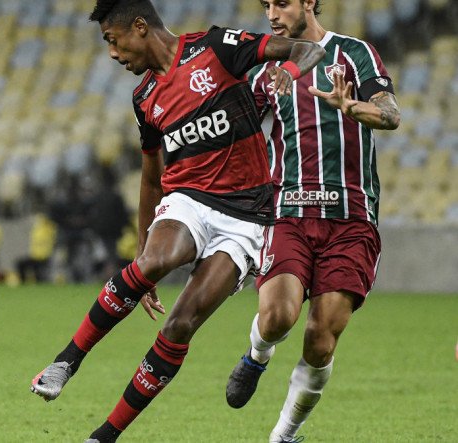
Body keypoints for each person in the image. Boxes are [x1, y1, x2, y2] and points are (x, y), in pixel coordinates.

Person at [29, 1, 325, 441]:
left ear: (140, 27)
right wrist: (140, 252)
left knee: (180, 324)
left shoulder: (215, 47)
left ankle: (104, 435)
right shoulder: (145, 98)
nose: (112, 54)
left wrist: (289, 71)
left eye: (113, 41)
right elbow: (151, 179)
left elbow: (305, 50)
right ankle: (66, 361)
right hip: (187, 198)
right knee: (158, 259)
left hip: (247, 216)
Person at [224, 1, 401, 442]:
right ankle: (257, 354)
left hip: (352, 218)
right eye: (265, 4)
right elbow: (241, 137)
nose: (271, 13)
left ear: (309, 2)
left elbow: (392, 115)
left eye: (281, 3)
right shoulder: (267, 71)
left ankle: (284, 435)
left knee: (321, 339)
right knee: (277, 316)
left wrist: (351, 106)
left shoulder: (354, 54)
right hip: (289, 213)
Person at [15, 212, 58, 283]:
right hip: (34, 256)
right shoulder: (37, 230)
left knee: (39, 272)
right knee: (20, 263)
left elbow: (52, 231)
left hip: (44, 257)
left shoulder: (50, 229)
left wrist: (47, 222)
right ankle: (23, 283)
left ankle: (40, 282)